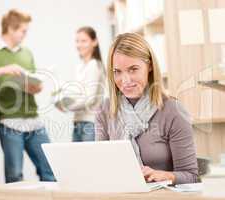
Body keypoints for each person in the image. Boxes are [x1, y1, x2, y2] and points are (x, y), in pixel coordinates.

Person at [95, 33, 199, 184]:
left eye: (133, 69)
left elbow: (191, 176)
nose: (125, 80)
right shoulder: (104, 109)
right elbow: (100, 166)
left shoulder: (173, 111)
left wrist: (165, 176)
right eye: (117, 71)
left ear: (149, 66)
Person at [0, 9, 55, 183]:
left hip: (33, 120)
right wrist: (4, 69)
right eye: (23, 31)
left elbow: (34, 82)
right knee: (14, 176)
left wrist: (35, 87)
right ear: (10, 29)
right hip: (9, 122)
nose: (24, 35)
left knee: (50, 169)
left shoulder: (26, 53)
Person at [56, 26, 105, 142]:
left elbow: (89, 99)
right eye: (77, 41)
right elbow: (77, 94)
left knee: (88, 160)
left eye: (83, 41)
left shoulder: (94, 65)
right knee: (77, 159)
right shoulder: (80, 67)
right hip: (78, 121)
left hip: (90, 123)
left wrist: (67, 106)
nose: (79, 45)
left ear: (94, 42)